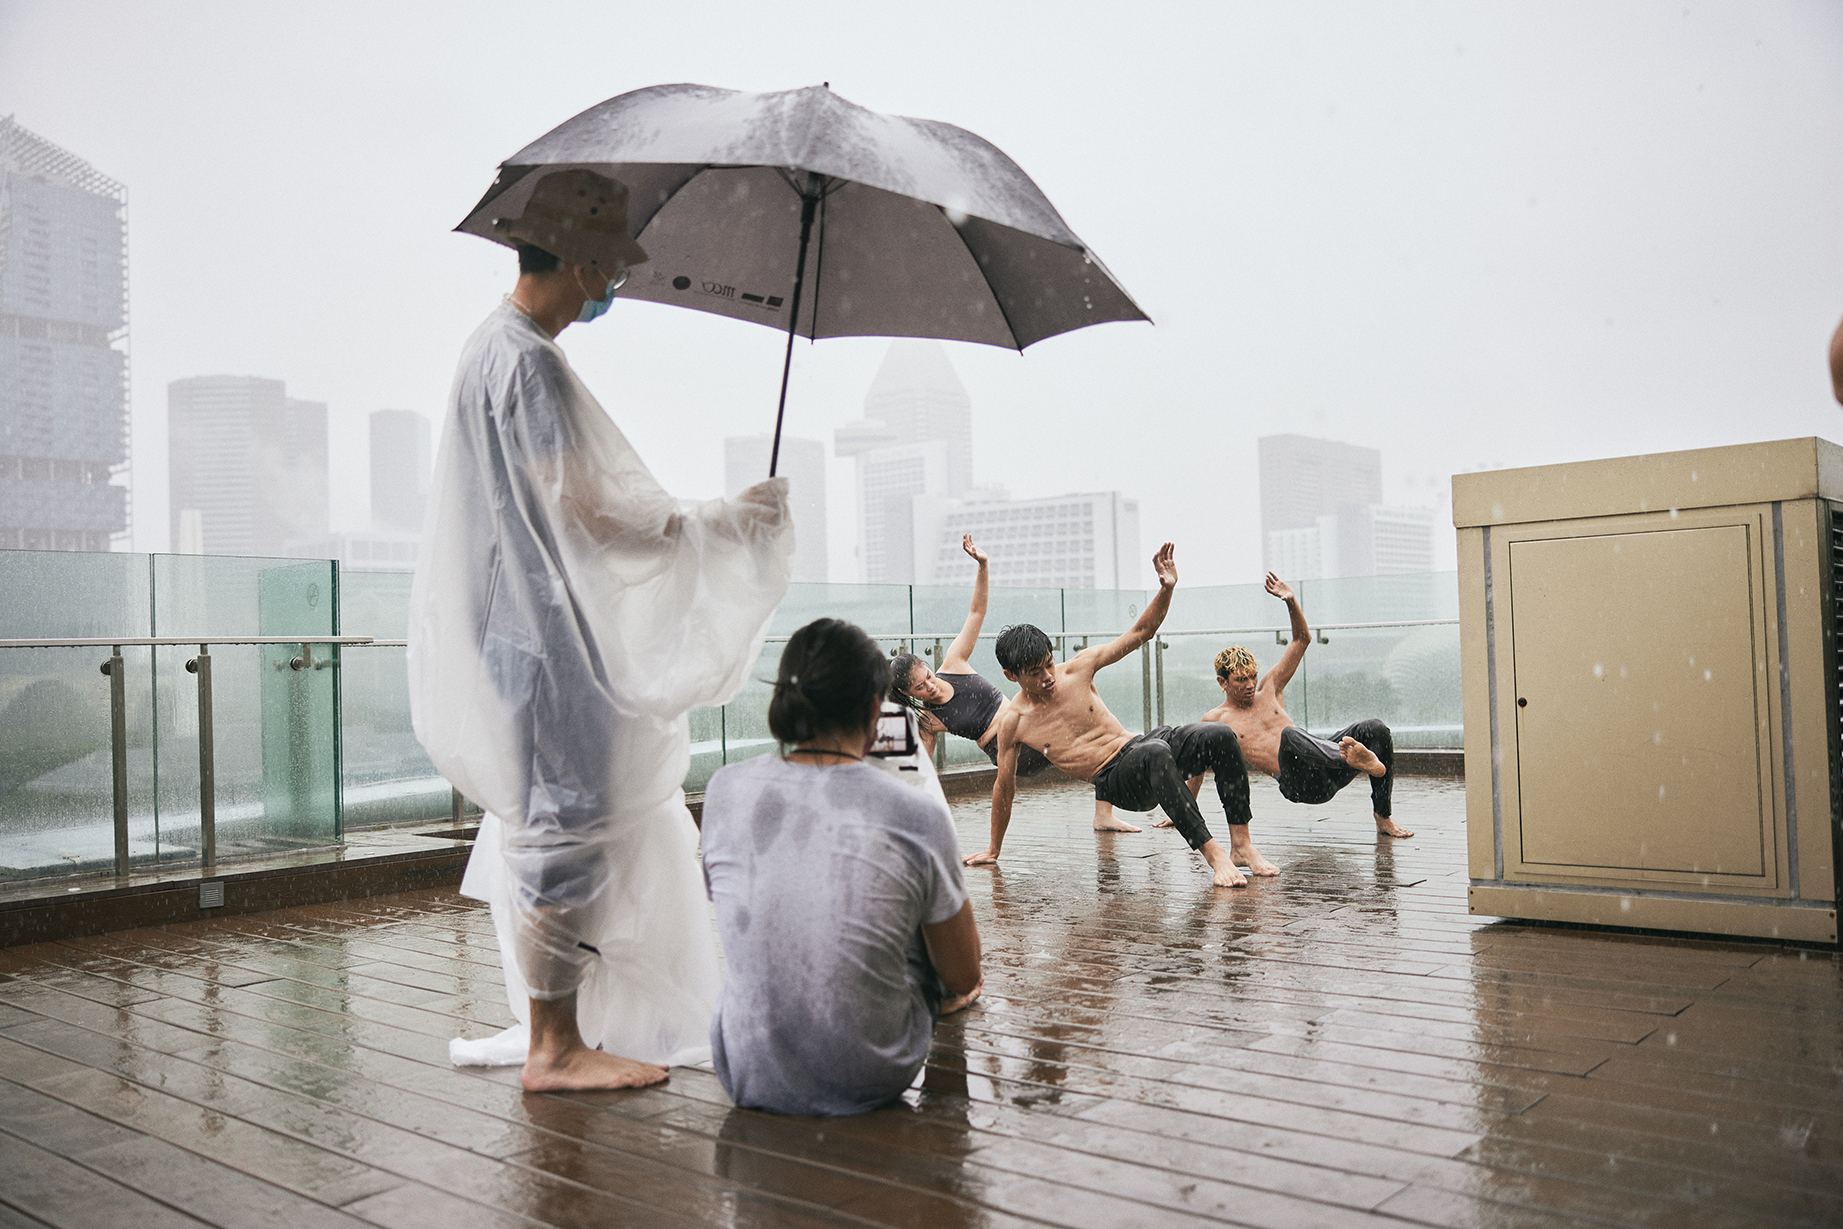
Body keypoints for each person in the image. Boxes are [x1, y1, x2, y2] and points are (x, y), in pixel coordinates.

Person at [410, 169, 795, 1092]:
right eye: (609, 266)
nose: (613, 283)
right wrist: (713, 522)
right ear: (580, 261)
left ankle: (562, 1025)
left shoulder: (490, 350)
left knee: (557, 818)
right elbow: (579, 507)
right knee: (564, 823)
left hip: (513, 633)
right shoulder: (527, 360)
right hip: (544, 641)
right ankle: (555, 1044)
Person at [701, 618, 982, 1115]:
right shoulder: (913, 802)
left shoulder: (725, 789)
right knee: (919, 901)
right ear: (877, 706)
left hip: (744, 1066)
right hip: (870, 1069)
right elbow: (963, 973)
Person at [963, 544, 1273, 888]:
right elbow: (1004, 787)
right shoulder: (1015, 722)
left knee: (1218, 733)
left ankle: (1242, 845)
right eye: (1035, 672)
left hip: (1138, 745)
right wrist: (994, 849)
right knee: (1155, 753)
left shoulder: (1079, 669)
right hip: (1116, 779)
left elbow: (1141, 632)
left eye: (1049, 664)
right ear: (1011, 676)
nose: (1048, 676)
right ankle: (1215, 855)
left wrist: (1166, 588)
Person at [890, 534, 1134, 833]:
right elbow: (924, 769)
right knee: (1084, 740)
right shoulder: (928, 719)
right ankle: (1118, 784)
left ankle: (1104, 812)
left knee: (1084, 711)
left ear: (929, 667)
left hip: (1030, 724)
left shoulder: (953, 663)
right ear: (907, 692)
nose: (930, 687)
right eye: (919, 688)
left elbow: (976, 612)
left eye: (927, 676)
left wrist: (983, 565)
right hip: (1012, 750)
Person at [1190, 573, 1413, 839]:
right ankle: (1349, 756)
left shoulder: (1270, 688)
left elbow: (1301, 640)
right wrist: (1182, 812)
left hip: (1327, 769)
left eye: (1252, 676)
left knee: (1375, 729)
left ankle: (1383, 817)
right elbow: (1197, 768)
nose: (1250, 684)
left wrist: (1291, 602)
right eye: (1241, 680)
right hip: (1299, 784)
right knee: (1290, 735)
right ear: (1222, 681)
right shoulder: (1216, 720)